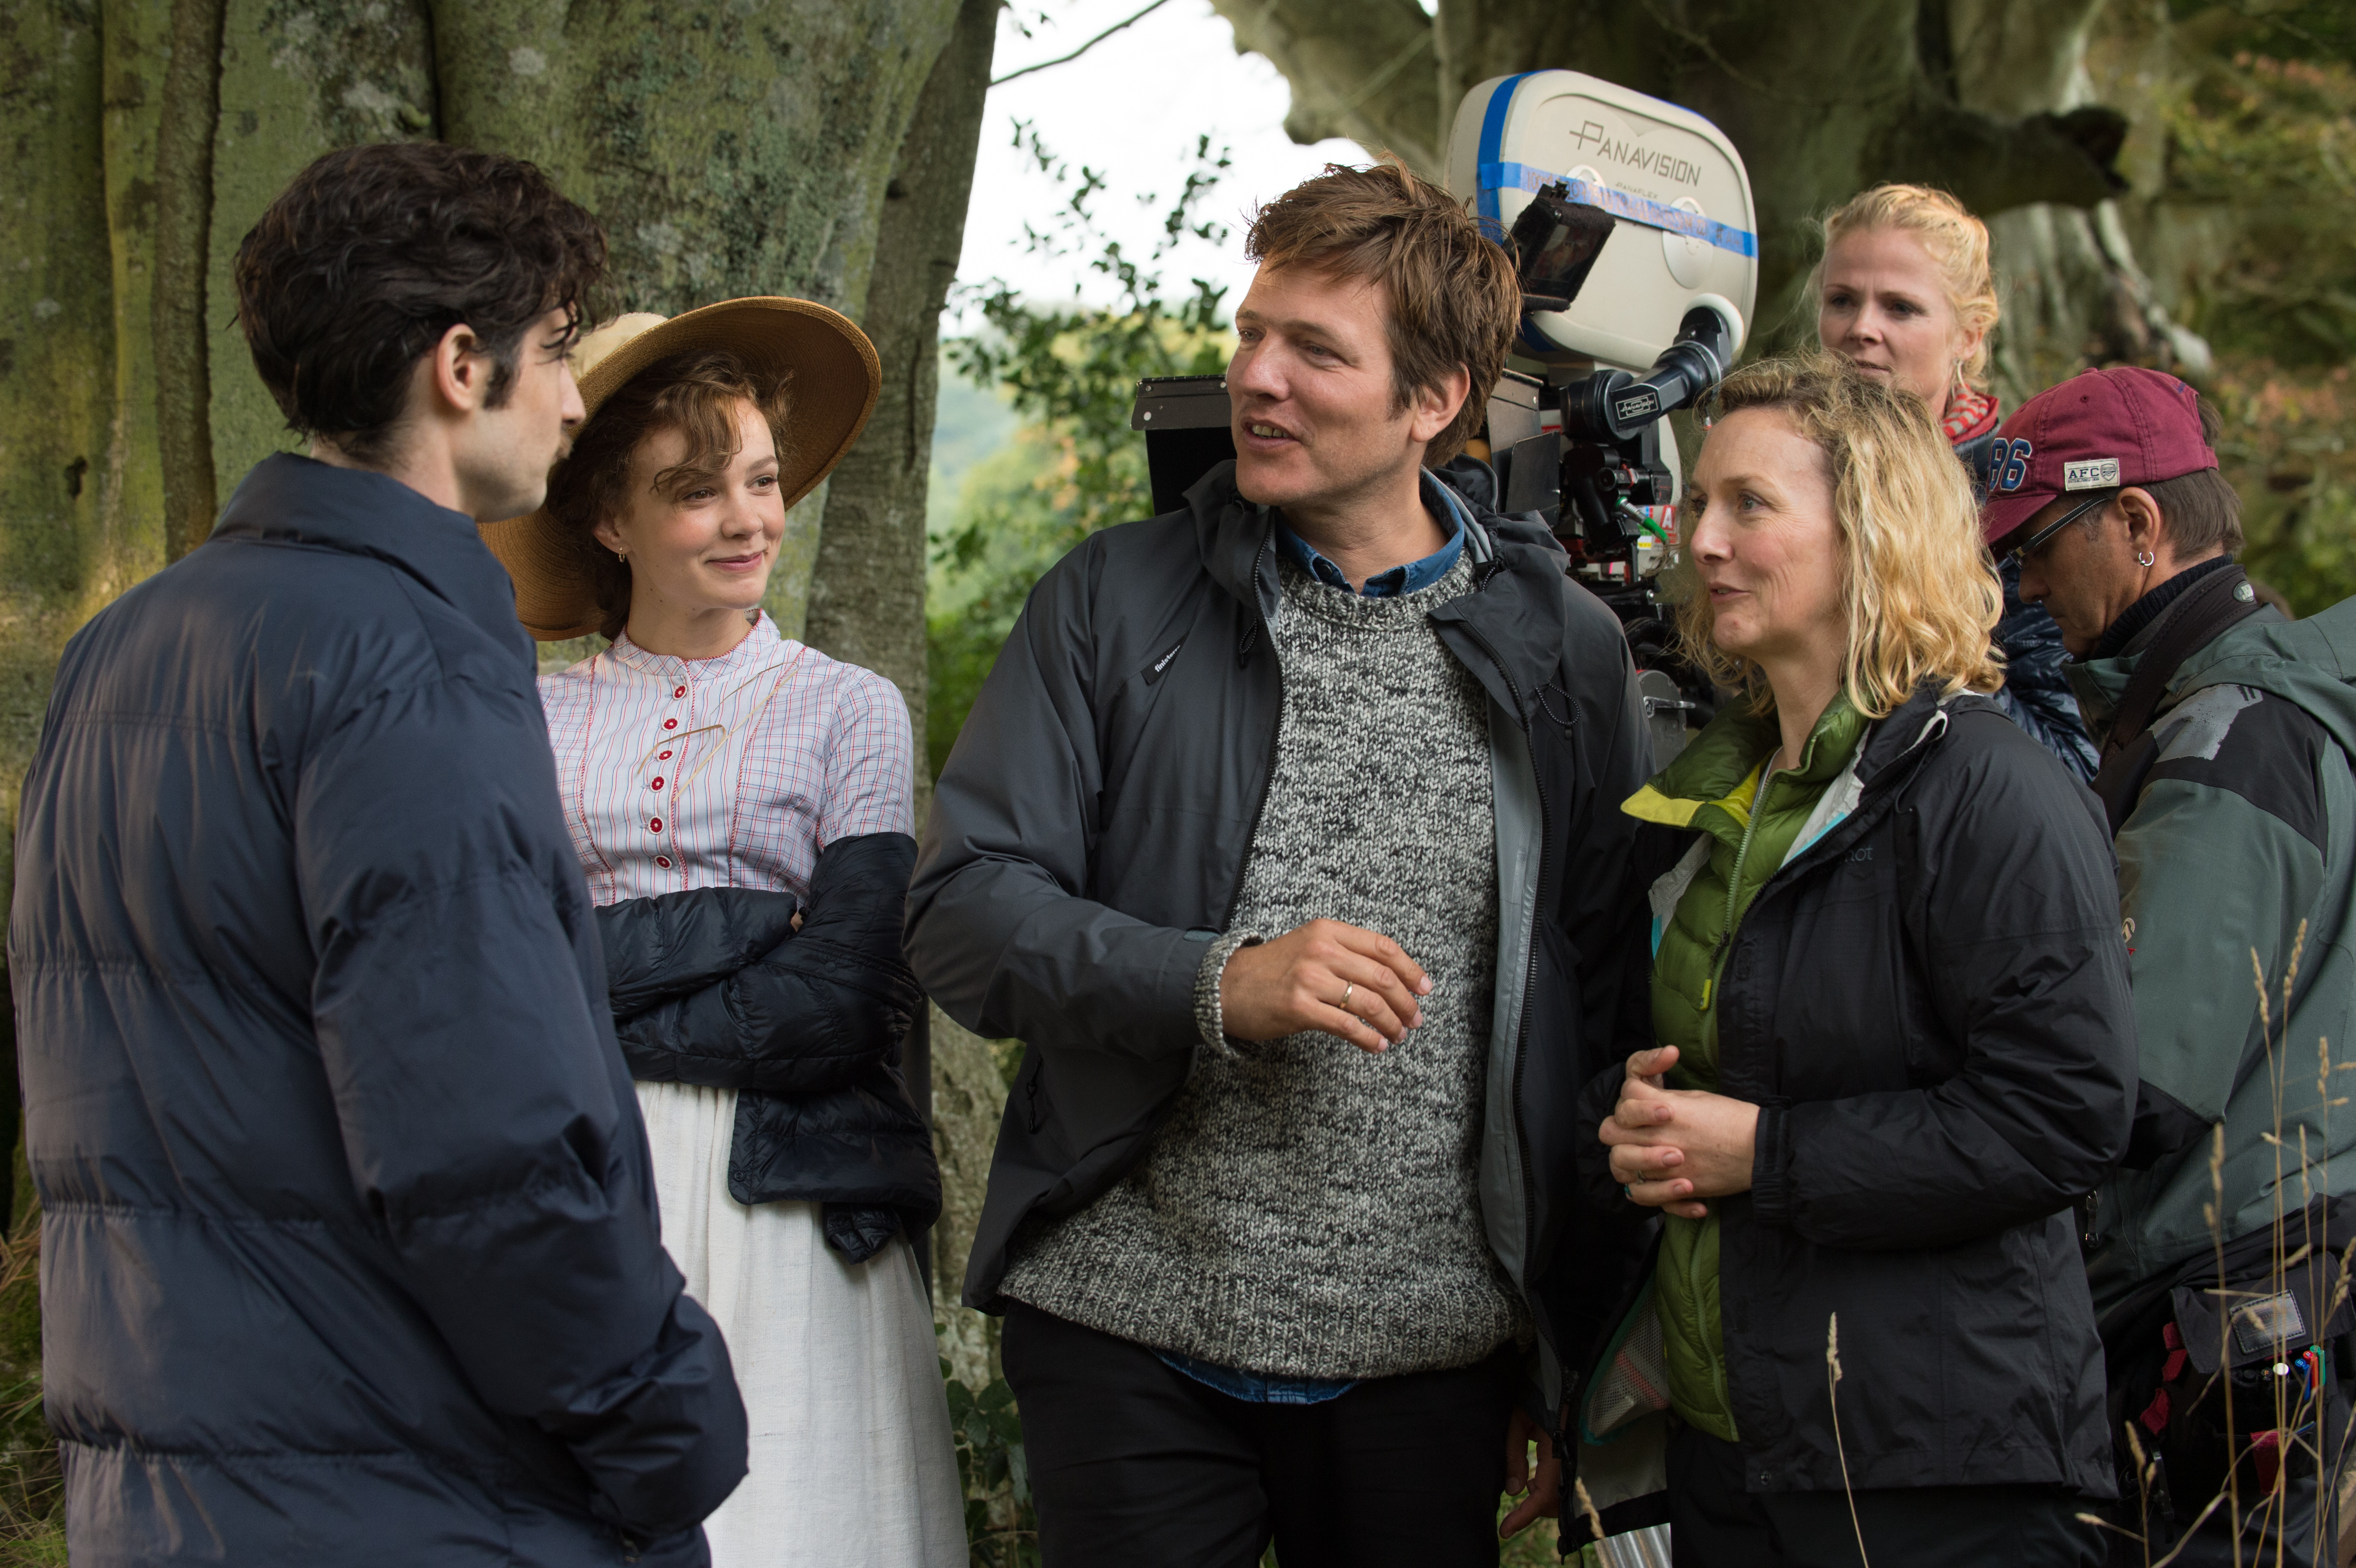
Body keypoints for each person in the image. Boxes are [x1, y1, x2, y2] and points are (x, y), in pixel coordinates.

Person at [905, 161, 1653, 1568]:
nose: (1256, 377)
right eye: (1252, 331)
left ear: (1431, 402)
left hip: (1426, 1358)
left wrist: (1567, 1353)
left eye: (1314, 348)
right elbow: (959, 910)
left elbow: (1602, 1015)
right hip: (1126, 1320)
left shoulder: (1566, 654)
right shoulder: (1113, 598)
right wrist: (1213, 983)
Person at [7, 143, 746, 1565]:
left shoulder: (119, 647)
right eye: (560, 350)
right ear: (461, 367)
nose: (580, 397)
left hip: (169, 1492)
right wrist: (670, 1420)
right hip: (416, 1490)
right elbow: (487, 1136)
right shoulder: (403, 655)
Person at [1591, 354, 2132, 1567]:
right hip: (1737, 1450)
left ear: (1872, 529)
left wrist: (1763, 1152)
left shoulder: (1989, 786)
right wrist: (1645, 1120)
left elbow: (2065, 1114)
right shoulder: (1719, 785)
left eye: (1751, 505)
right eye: (1698, 506)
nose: (1704, 541)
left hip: (1932, 1466)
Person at [482, 301, 966, 1567]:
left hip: (797, 1195)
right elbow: (500, 981)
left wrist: (595, 982)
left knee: (793, 1521)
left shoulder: (851, 712)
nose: (749, 518)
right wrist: (758, 922)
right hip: (584, 1181)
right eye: (695, 492)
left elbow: (840, 1000)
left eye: (760, 480)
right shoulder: (524, 722)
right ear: (608, 518)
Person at [1992, 365, 2356, 1565]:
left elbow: (2132, 1081)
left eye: (2039, 545)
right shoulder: (2255, 707)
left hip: (2229, 1304)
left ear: (2139, 525)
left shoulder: (2227, 741)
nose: (2026, 583)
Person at [1815, 182, 2100, 781]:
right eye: (1841, 300)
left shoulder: (2013, 504)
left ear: (1967, 336)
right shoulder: (1781, 467)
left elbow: (2071, 760)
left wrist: (1903, 648)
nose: (1861, 327)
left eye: (1900, 307)